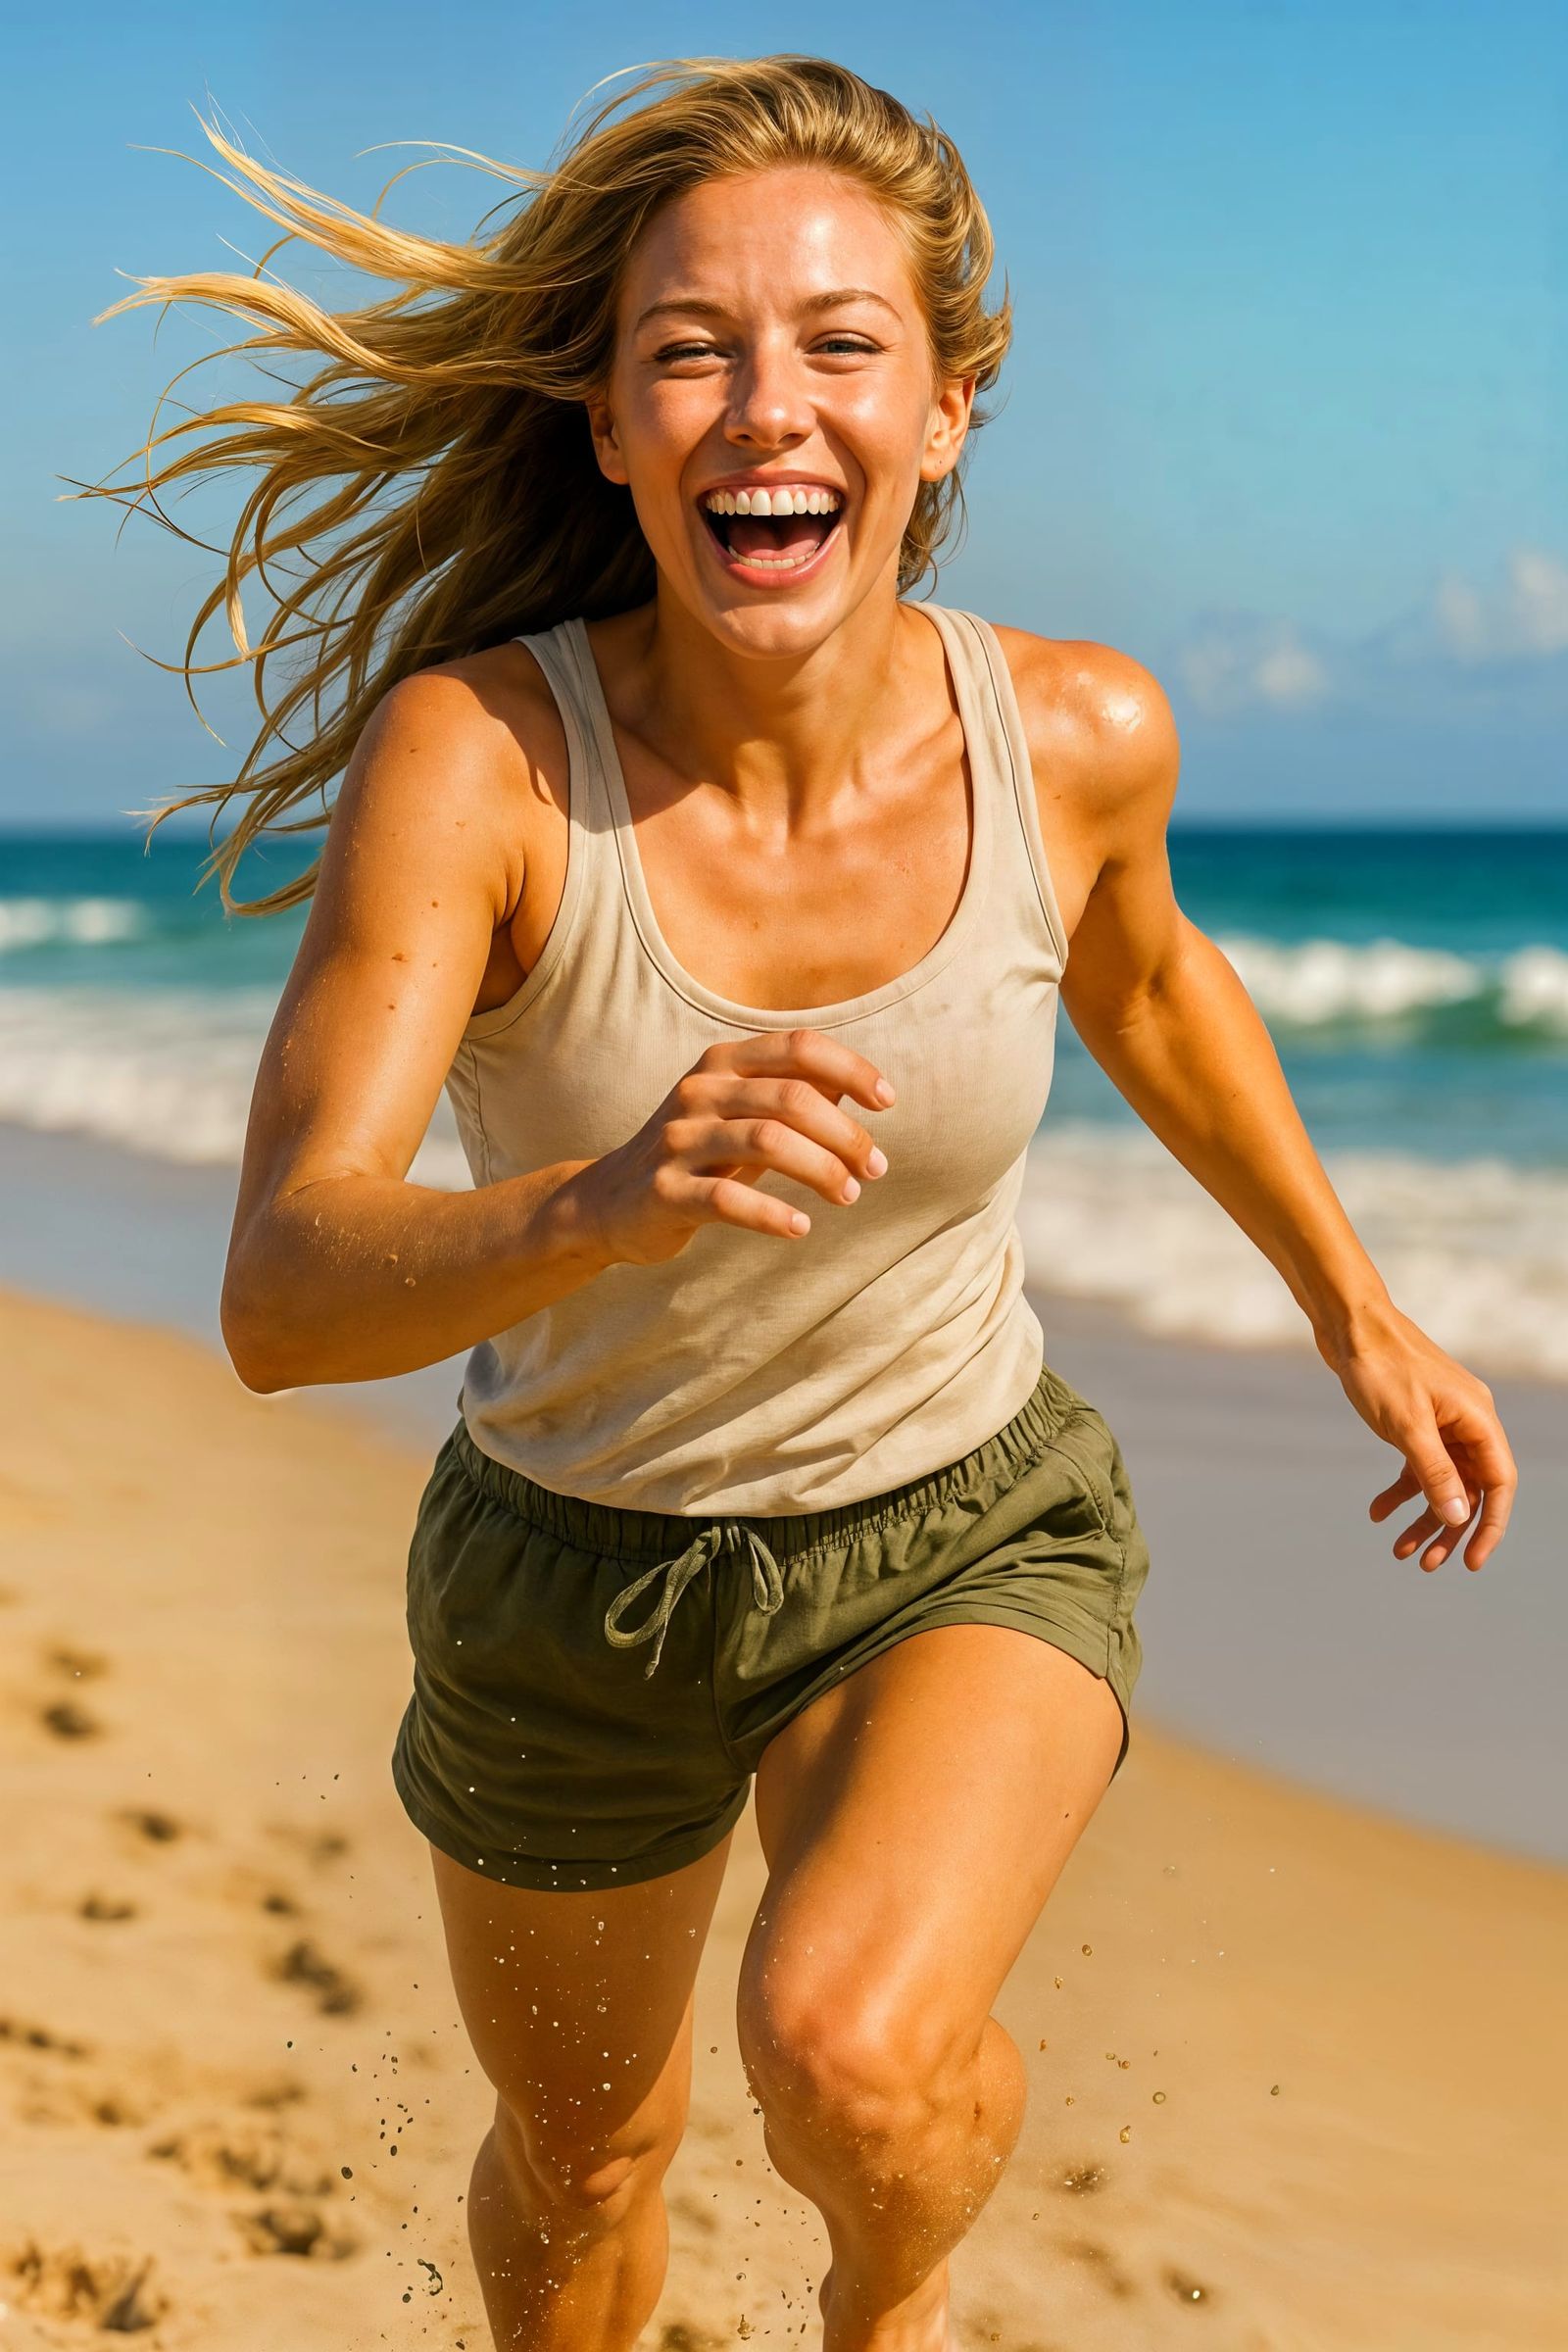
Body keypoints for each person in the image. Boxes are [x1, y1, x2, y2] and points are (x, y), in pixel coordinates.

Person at [92, 54, 1517, 2352]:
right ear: (607, 426)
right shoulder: (482, 769)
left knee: (847, 2054)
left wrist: (1356, 1308)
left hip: (958, 1521)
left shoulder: (1070, 736)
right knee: (584, 2168)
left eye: (842, 345)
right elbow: (280, 1290)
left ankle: (895, 2302)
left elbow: (1150, 986)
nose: (772, 406)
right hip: (574, 1564)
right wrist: (606, 1200)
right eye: (693, 350)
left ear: (941, 413)